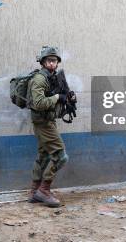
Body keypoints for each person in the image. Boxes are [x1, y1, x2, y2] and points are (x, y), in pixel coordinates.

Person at [26, 46, 74, 208]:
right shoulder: (40, 79)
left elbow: (58, 96)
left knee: (44, 155)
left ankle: (33, 192)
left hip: (48, 120)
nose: (52, 63)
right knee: (61, 156)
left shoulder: (53, 77)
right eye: (49, 61)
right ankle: (44, 190)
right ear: (43, 62)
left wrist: (67, 98)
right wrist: (57, 97)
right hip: (43, 122)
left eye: (54, 61)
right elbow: (39, 103)